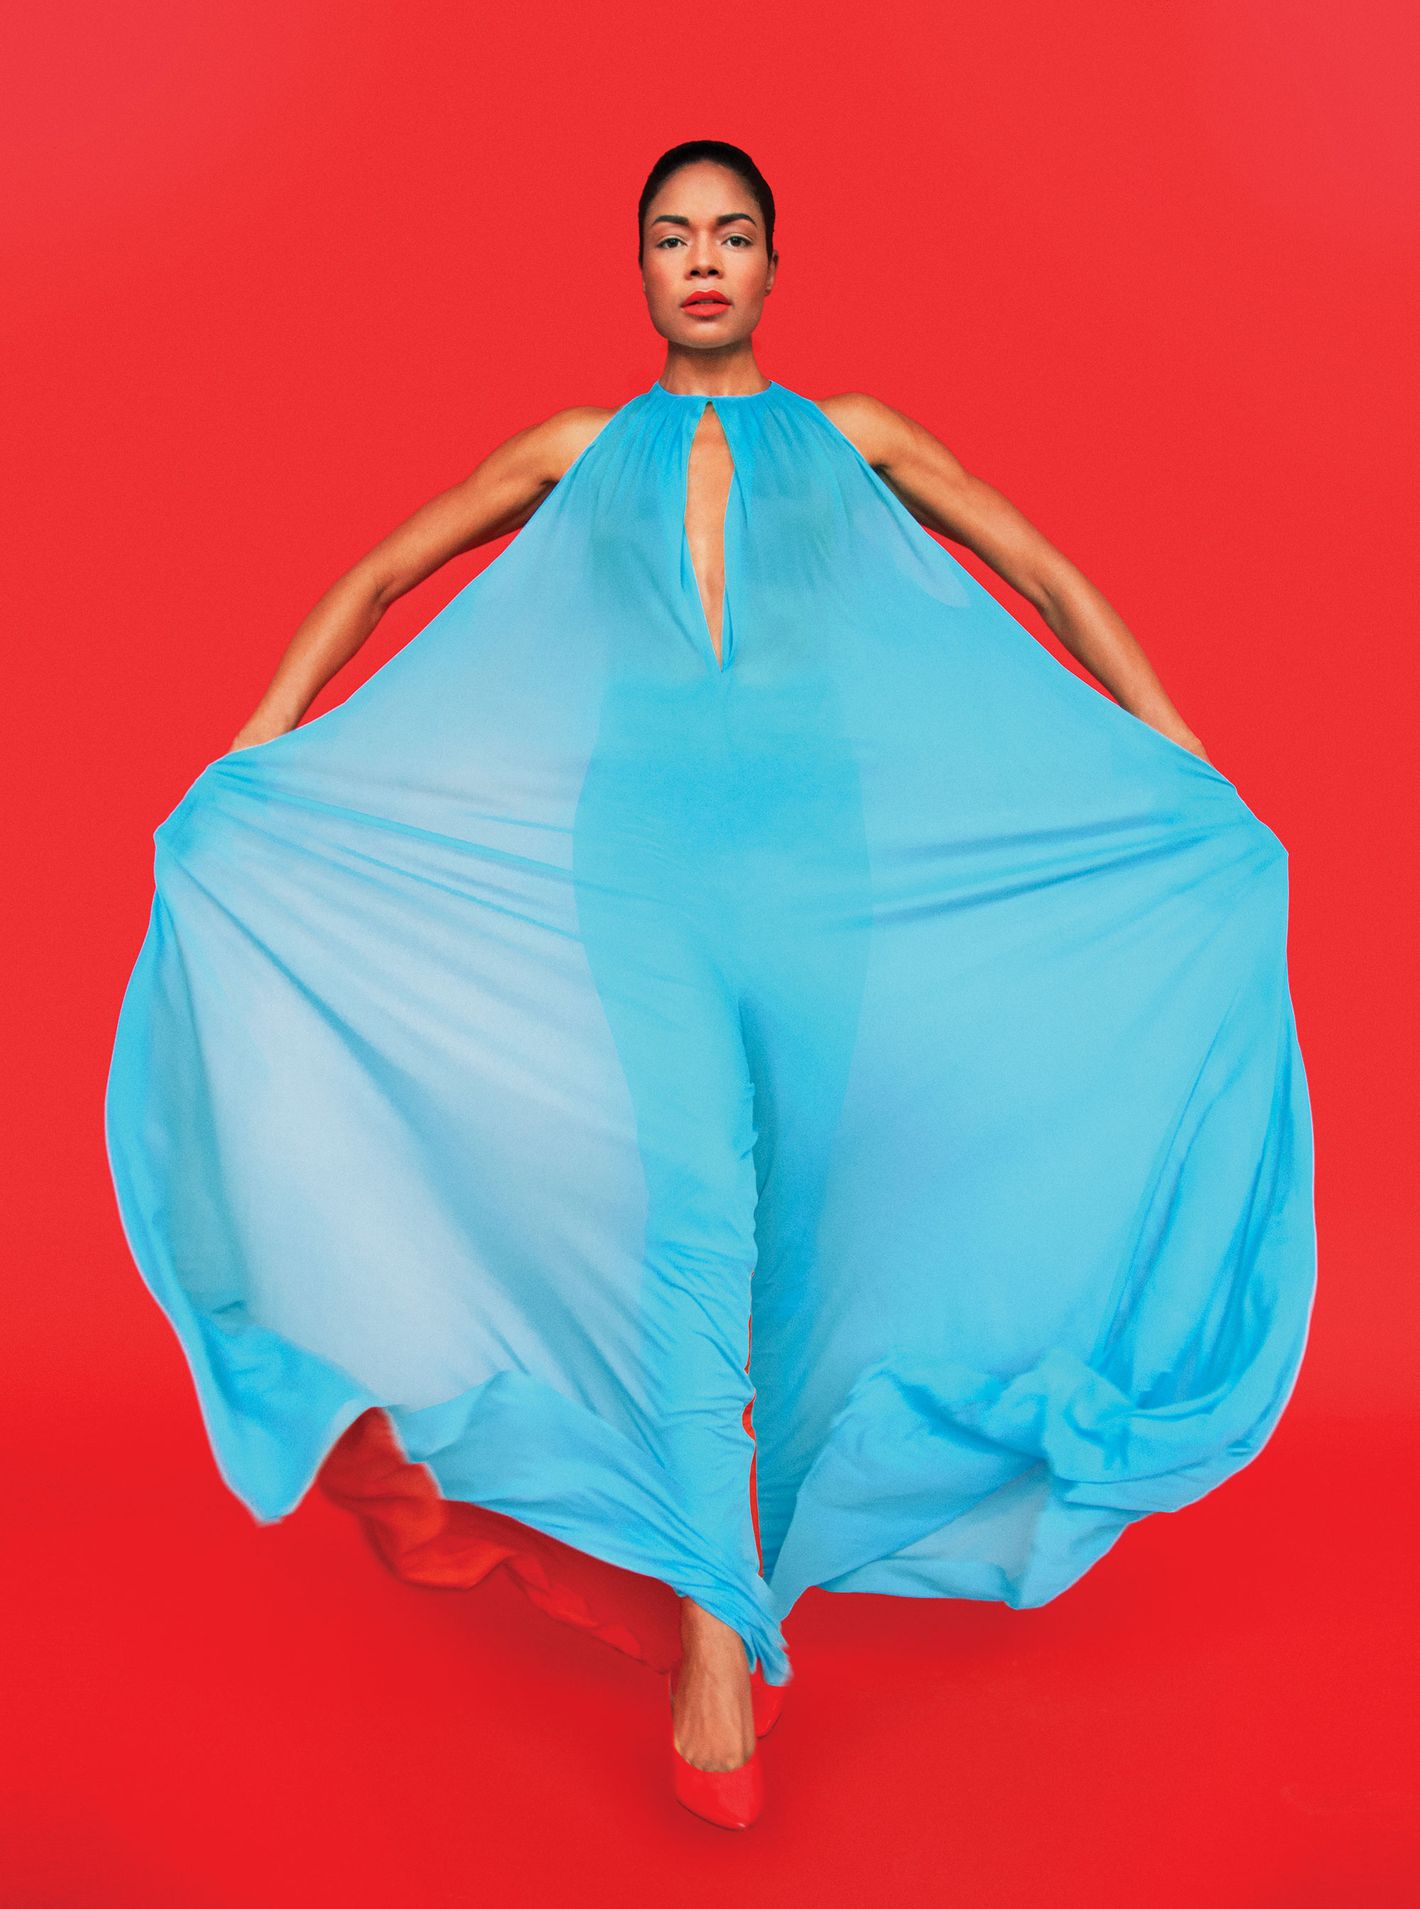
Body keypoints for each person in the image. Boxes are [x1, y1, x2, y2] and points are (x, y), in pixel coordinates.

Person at [104, 139, 1317, 1832]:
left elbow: (1041, 572)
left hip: (832, 882)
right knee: (692, 1215)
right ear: (639, 267)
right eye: (672, 235)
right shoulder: (572, 451)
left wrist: (1177, 755)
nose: (700, 259)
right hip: (639, 880)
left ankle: (766, 1558)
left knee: (802, 1226)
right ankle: (710, 1634)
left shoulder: (859, 437)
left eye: (730, 234)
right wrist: (252, 755)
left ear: (770, 265)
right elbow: (379, 578)